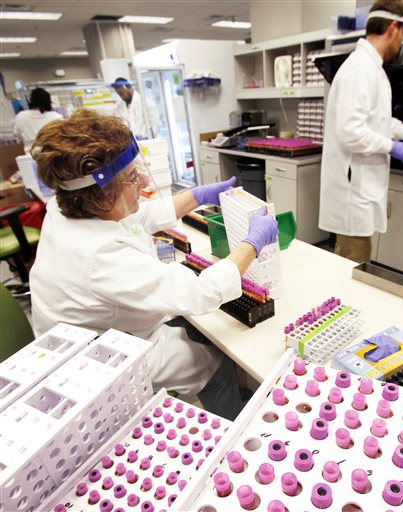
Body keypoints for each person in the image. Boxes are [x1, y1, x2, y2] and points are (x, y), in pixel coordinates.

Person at [29, 108, 278, 420]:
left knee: (190, 326)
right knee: (214, 363)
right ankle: (232, 428)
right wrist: (253, 243)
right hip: (102, 360)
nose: (145, 181)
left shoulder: (66, 204)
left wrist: (197, 196)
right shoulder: (98, 256)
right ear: (101, 196)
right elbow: (200, 292)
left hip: (98, 328)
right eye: (133, 177)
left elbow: (136, 217)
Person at [319, 0, 403, 264]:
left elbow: (378, 120)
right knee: (352, 262)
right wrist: (391, 146)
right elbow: (351, 132)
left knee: (355, 257)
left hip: (360, 189)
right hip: (353, 191)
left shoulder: (372, 69)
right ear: (392, 28)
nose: (402, 41)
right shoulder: (360, 69)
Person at [13, 87, 63, 154]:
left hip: (31, 154)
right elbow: (62, 137)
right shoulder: (57, 117)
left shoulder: (21, 116)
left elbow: (17, 135)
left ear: (31, 100)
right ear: (48, 101)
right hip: (52, 154)